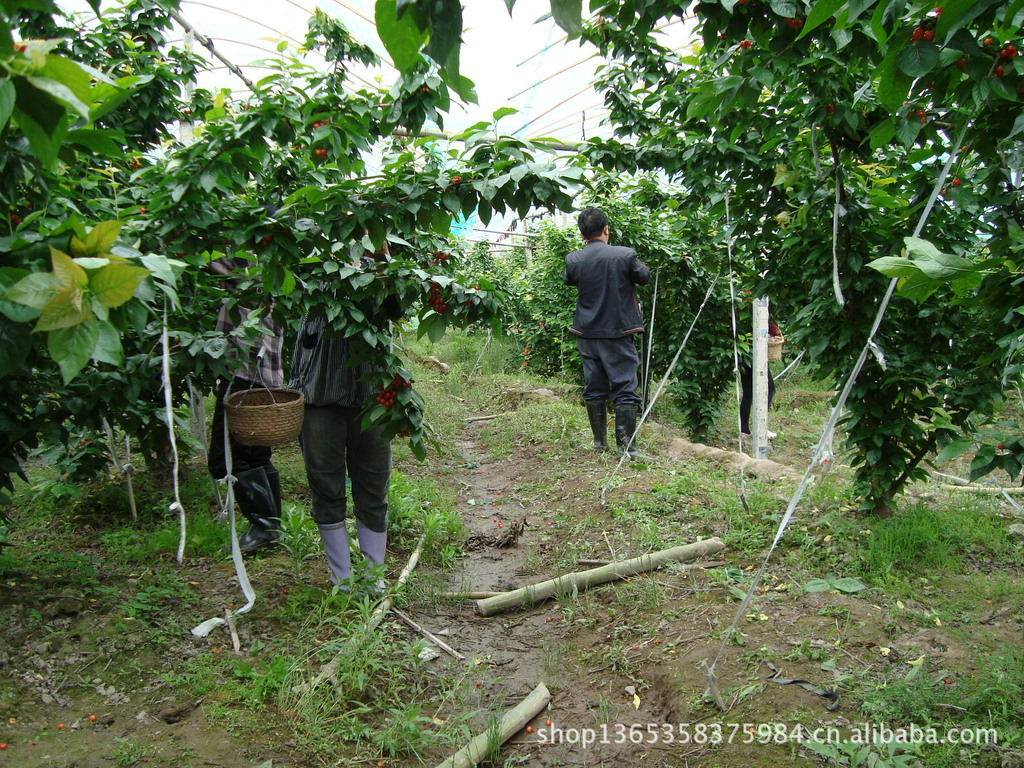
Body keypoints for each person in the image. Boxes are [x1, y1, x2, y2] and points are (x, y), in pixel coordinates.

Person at [289, 239, 402, 588]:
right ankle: (341, 579)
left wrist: (383, 259)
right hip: (318, 393)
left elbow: (397, 309)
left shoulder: (381, 273)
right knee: (325, 483)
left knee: (373, 482)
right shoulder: (312, 264)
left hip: (372, 396)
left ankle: (373, 578)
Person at [206, 256, 285, 553]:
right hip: (265, 373)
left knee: (227, 458)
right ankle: (270, 525)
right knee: (256, 454)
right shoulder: (277, 260)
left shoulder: (247, 259)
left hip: (244, 372)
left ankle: (265, 527)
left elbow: (204, 259)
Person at [563, 208, 651, 458]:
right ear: (606, 229)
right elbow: (643, 276)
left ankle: (599, 444)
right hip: (618, 333)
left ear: (582, 234)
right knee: (624, 386)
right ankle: (627, 448)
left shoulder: (574, 259)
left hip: (587, 333)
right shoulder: (624, 255)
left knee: (595, 385)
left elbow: (568, 279)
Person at [738, 316, 781, 438]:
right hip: (757, 354)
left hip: (744, 354)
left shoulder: (739, 312)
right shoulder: (759, 309)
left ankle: (744, 430)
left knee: (748, 393)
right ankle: (761, 427)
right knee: (769, 389)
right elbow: (774, 331)